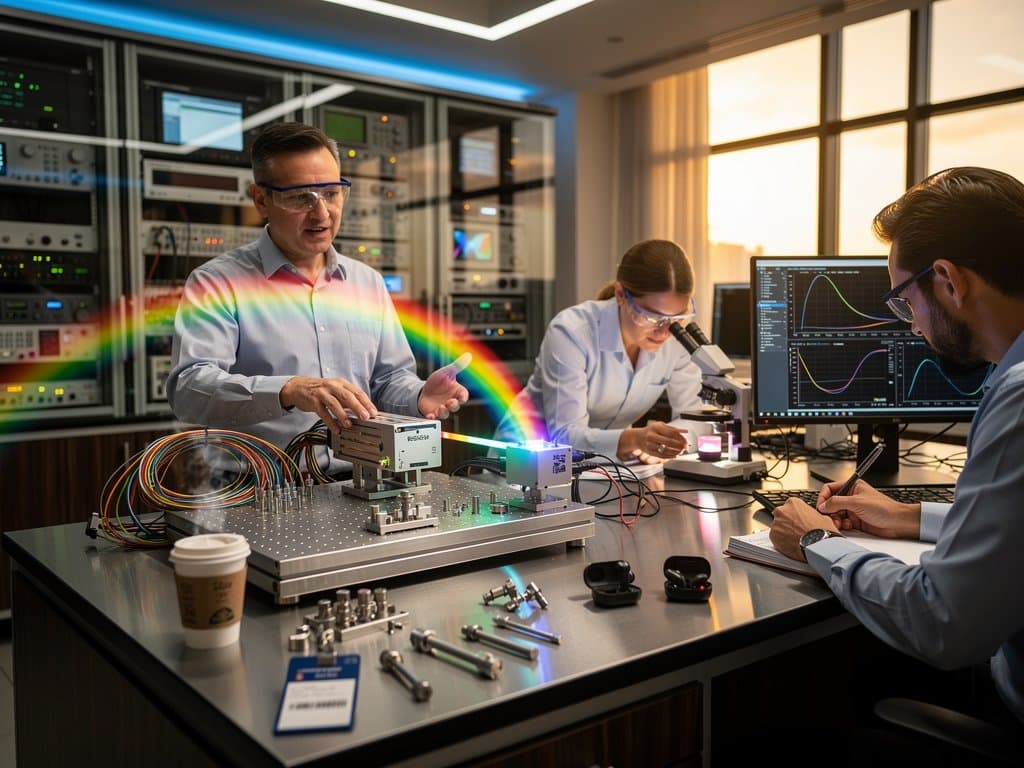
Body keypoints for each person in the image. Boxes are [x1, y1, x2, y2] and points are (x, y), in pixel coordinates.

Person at [769, 167, 1024, 735]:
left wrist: (816, 541)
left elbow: (944, 622)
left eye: (906, 302)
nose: (910, 328)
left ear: (949, 281)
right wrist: (910, 517)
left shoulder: (1019, 397)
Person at [167, 122, 469, 475]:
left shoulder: (366, 283)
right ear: (261, 199)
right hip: (256, 489)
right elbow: (189, 390)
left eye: (331, 192)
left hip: (357, 481)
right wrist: (289, 390)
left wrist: (418, 397)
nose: (322, 213)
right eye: (300, 197)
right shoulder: (217, 283)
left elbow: (387, 382)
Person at [493, 238, 711, 462]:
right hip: (520, 462)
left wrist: (668, 444)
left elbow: (698, 419)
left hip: (603, 467)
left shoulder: (677, 339)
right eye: (652, 317)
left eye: (677, 318)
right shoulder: (572, 331)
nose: (664, 331)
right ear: (620, 295)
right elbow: (565, 436)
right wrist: (634, 439)